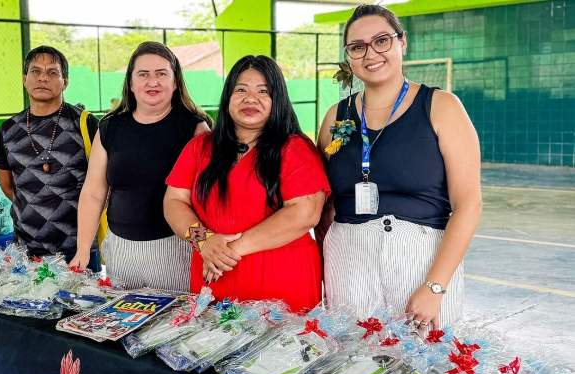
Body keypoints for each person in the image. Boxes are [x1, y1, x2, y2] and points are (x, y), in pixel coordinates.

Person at [317, 4, 482, 329]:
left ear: (402, 42)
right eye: (357, 46)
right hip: (349, 262)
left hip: (421, 262)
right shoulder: (336, 116)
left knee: (426, 359)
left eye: (382, 41)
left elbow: (469, 205)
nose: (371, 54)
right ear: (349, 56)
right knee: (353, 358)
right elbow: (321, 205)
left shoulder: (442, 107)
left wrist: (435, 286)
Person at [164, 55, 330, 312]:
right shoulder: (201, 147)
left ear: (277, 100)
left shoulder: (294, 148)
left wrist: (227, 251)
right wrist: (203, 240)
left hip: (281, 286)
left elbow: (305, 213)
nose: (250, 99)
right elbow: (174, 201)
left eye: (263, 91)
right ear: (228, 97)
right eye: (241, 90)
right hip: (215, 279)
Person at [71, 41, 211, 291]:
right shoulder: (110, 127)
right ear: (131, 83)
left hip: (177, 249)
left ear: (175, 81)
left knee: (174, 317)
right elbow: (93, 193)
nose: (152, 82)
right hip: (120, 249)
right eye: (143, 74)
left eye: (161, 74)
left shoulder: (196, 129)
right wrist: (82, 250)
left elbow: (210, 201)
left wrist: (206, 245)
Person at [0, 46, 100, 265]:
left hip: (79, 254)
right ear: (24, 79)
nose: (43, 78)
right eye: (35, 71)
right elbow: (8, 187)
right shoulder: (7, 131)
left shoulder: (86, 124)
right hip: (27, 253)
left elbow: (102, 186)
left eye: (52, 72)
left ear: (65, 81)